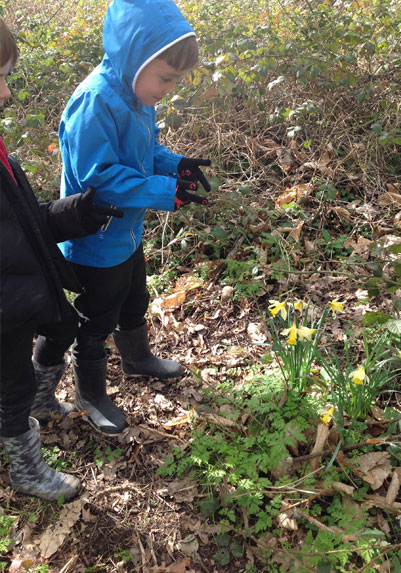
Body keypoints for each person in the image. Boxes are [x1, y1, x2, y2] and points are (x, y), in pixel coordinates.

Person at [58, 0, 212, 436]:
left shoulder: (139, 94)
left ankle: (137, 358)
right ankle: (90, 392)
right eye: (166, 78)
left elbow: (144, 155)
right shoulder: (95, 102)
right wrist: (166, 192)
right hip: (95, 237)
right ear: (134, 56)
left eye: (176, 81)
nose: (169, 89)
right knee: (98, 315)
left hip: (126, 232)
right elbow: (99, 178)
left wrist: (176, 165)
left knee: (134, 298)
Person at [0, 16, 123, 501]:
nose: (5, 95)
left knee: (61, 330)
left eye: (6, 77)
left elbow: (26, 223)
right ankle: (26, 471)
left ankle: (40, 396)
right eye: (0, 77)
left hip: (22, 293)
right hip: (6, 308)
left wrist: (81, 211)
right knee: (9, 387)